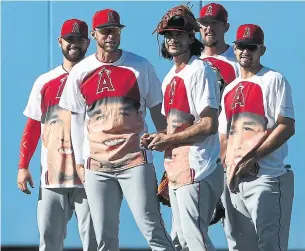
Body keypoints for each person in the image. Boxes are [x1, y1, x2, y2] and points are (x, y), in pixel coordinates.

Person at [59, 9, 175, 251]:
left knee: (152, 228)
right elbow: (77, 122)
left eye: (115, 31)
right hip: (97, 166)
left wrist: (170, 156)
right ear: (94, 35)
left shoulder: (140, 66)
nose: (111, 36)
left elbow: (158, 114)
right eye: (105, 31)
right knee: (104, 237)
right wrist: (80, 163)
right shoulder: (81, 71)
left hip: (135, 161)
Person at [143, 5, 223, 251]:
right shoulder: (169, 76)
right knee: (181, 242)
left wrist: (167, 140)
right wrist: (158, 138)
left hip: (197, 168)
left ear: (191, 37)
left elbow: (209, 124)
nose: (173, 39)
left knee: (195, 240)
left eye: (179, 34)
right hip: (177, 170)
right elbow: (175, 129)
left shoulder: (201, 70)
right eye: (169, 35)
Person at [17, 19, 97, 251]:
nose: (74, 44)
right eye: (69, 39)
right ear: (60, 41)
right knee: (49, 242)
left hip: (89, 176)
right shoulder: (45, 81)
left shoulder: (97, 77)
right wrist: (23, 165)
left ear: (88, 42)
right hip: (53, 177)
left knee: (94, 242)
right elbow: (33, 125)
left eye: (79, 39)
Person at [218, 24, 295, 251]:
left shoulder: (273, 79)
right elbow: (224, 138)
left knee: (270, 246)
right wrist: (218, 178)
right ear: (234, 48)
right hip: (233, 181)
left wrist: (253, 157)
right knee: (238, 246)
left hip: (266, 176)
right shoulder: (230, 88)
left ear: (262, 50)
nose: (245, 52)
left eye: (251, 47)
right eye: (241, 46)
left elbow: (287, 126)